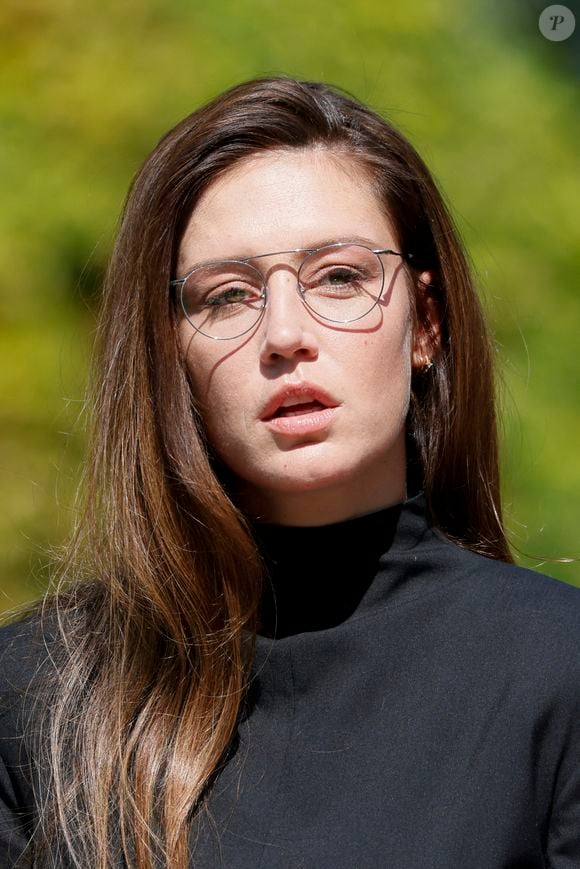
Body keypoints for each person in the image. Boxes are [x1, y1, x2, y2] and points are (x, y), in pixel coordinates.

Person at [0, 74, 579, 869]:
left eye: (339, 276)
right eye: (227, 296)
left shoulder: (555, 667)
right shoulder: (43, 689)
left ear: (427, 324)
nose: (285, 332)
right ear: (172, 353)